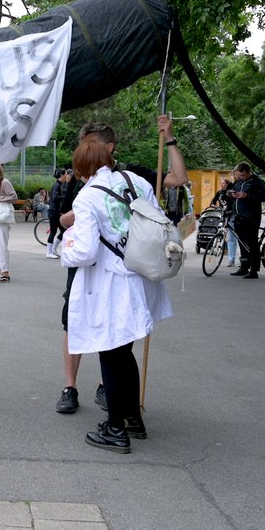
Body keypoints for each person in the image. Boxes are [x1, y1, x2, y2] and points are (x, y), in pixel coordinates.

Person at [56, 115, 187, 415]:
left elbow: (177, 179)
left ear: (109, 147)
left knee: (116, 341)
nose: (85, 152)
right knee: (75, 322)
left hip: (119, 267)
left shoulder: (133, 175)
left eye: (90, 146)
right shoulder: (83, 180)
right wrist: (72, 220)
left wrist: (170, 139)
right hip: (91, 266)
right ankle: (71, 387)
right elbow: (63, 218)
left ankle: (115, 406)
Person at [228, 163, 265, 279]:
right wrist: (231, 194)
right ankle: (244, 267)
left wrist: (247, 195)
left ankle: (254, 270)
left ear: (249, 172)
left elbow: (262, 197)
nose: (241, 177)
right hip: (238, 216)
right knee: (242, 242)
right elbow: (233, 192)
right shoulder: (238, 182)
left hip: (251, 216)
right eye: (239, 175)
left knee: (252, 243)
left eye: (243, 175)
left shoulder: (257, 182)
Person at [46, 169, 69, 258]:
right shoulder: (56, 185)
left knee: (63, 231)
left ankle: (53, 249)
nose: (66, 176)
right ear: (62, 175)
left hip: (57, 212)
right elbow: (55, 197)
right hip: (53, 211)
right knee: (53, 231)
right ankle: (49, 252)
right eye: (65, 174)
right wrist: (65, 197)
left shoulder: (60, 185)